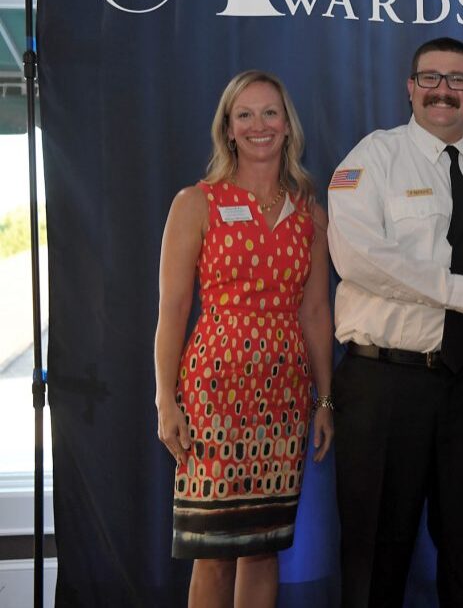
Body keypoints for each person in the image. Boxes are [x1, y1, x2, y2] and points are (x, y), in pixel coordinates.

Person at [326, 37, 463, 607]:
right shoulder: (370, 159)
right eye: (430, 78)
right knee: (375, 552)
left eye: (457, 80)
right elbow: (361, 259)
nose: (442, 92)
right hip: (386, 387)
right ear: (410, 87)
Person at [154, 70, 334, 608]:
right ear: (228, 129)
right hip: (212, 394)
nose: (260, 125)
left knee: (263, 546)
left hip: (283, 398)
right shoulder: (197, 202)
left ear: (288, 126)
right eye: (245, 115)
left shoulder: (310, 213)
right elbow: (173, 309)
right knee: (213, 550)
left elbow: (317, 313)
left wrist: (323, 400)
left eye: (270, 113)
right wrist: (166, 399)